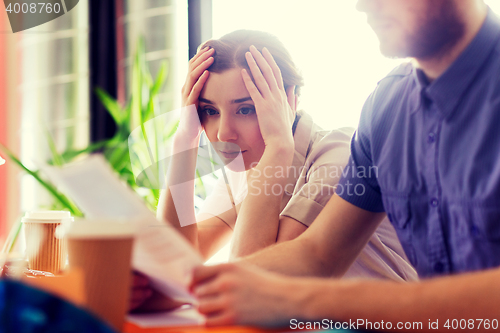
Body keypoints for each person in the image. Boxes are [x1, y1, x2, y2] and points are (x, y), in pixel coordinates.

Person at [190, 0, 500, 329]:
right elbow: (318, 254)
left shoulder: (330, 153)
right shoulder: (387, 107)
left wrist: (301, 300)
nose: (363, 4)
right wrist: (201, 288)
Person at [130, 30, 417, 311]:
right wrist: (185, 138)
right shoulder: (245, 167)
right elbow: (178, 261)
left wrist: (280, 146)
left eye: (245, 110)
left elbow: (252, 285)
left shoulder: (336, 158)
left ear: (289, 100)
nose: (222, 133)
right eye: (209, 111)